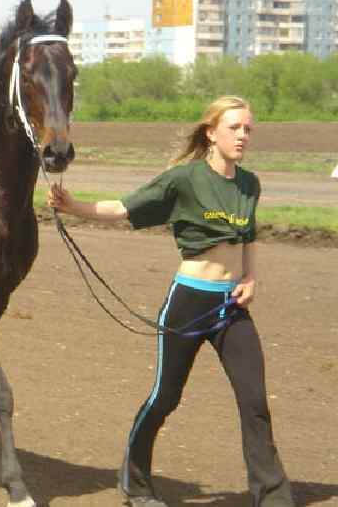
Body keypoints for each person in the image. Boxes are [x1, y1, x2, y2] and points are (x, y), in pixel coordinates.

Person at [47, 96, 295, 507]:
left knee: (254, 401)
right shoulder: (185, 179)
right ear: (211, 133)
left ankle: (272, 497)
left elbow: (248, 236)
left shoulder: (250, 183)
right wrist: (75, 207)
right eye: (234, 128)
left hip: (232, 307)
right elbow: (124, 208)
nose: (243, 136)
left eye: (248, 129)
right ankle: (136, 483)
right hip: (190, 302)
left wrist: (251, 277)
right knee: (166, 396)